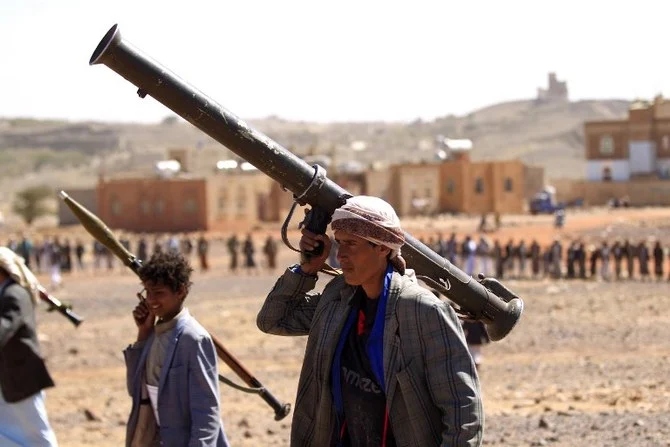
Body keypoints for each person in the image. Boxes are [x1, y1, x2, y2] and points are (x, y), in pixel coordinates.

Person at [257, 196, 483, 446]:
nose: (340, 255)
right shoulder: (338, 300)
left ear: (383, 247)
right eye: (339, 243)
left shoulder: (422, 311)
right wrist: (307, 269)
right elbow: (274, 319)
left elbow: (463, 413)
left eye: (351, 244)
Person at [124, 251, 229, 446]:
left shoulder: (193, 338)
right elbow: (135, 390)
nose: (151, 300)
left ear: (180, 291)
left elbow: (207, 411)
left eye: (159, 293)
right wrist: (143, 333)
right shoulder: (153, 334)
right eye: (147, 292)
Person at [0, 246, 59, 446]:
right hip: (7, 377)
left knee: (37, 435)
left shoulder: (14, 293)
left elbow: (5, 326)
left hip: (20, 376)